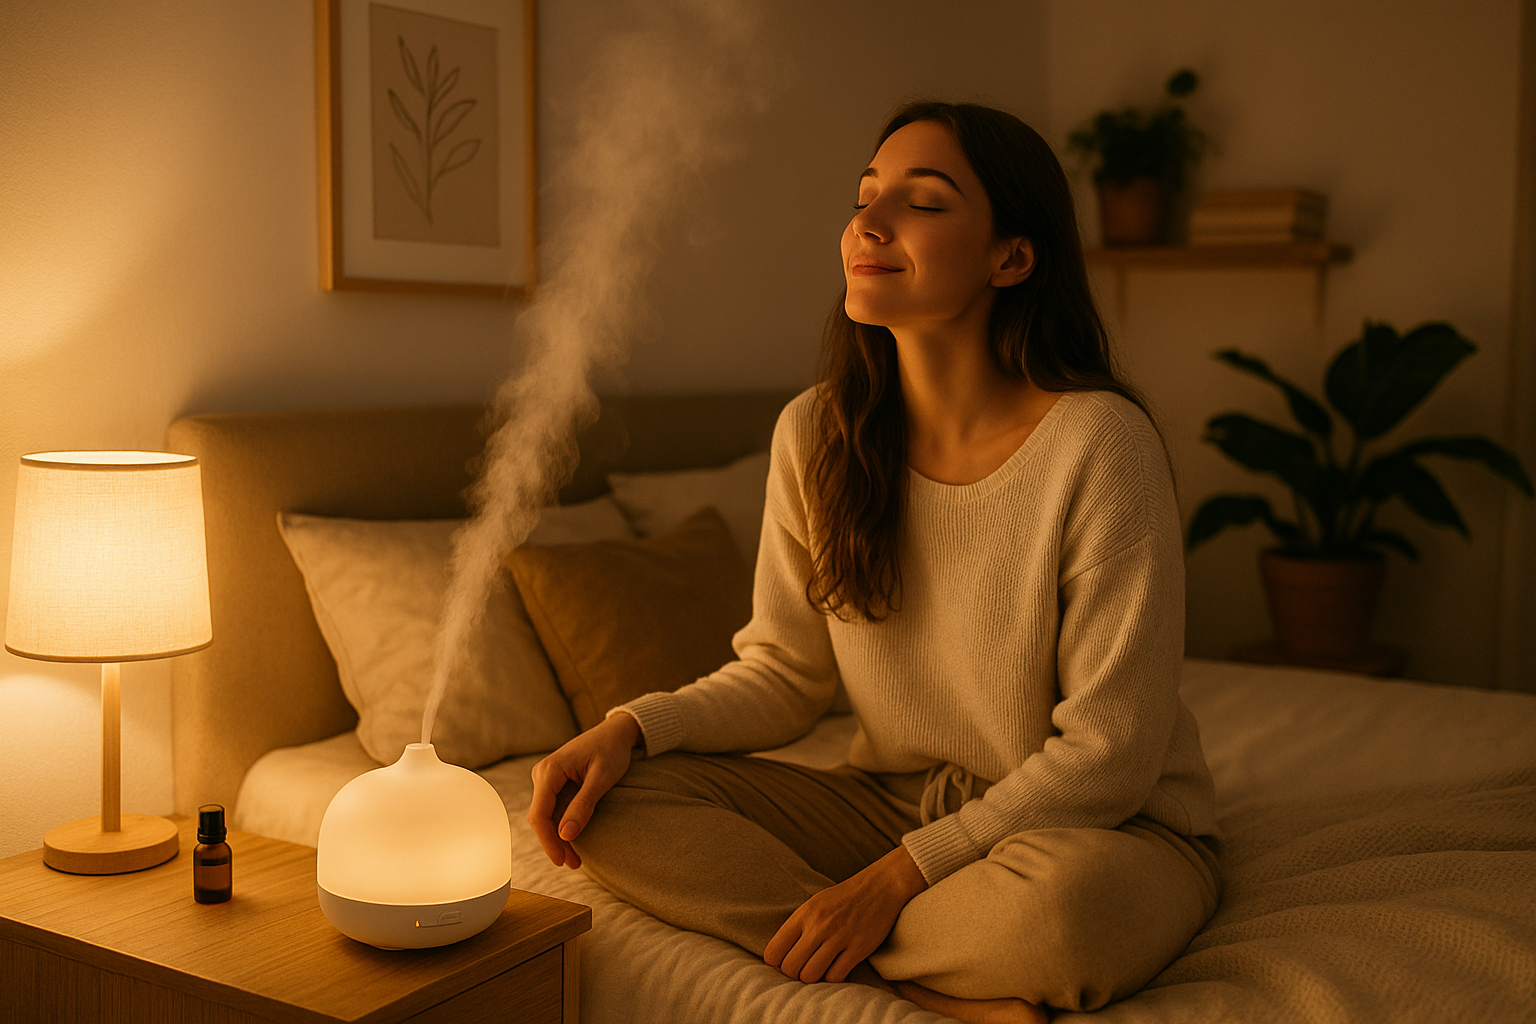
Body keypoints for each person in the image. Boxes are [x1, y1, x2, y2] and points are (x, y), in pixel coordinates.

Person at [528, 100, 1221, 1023]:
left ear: (1012, 257)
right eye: (866, 196)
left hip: (1094, 827)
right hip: (886, 806)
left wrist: (896, 879)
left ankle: (877, 939)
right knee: (601, 806)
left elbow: (1110, 757)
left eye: (924, 203)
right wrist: (633, 727)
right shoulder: (816, 433)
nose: (869, 221)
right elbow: (784, 674)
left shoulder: (1099, 443)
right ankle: (901, 969)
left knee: (1062, 920)